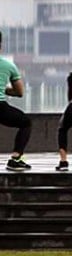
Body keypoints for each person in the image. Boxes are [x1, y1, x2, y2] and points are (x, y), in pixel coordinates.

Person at [0, 30, 31, 171]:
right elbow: (19, 92)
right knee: (25, 123)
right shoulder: (8, 66)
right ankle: (16, 157)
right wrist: (4, 89)